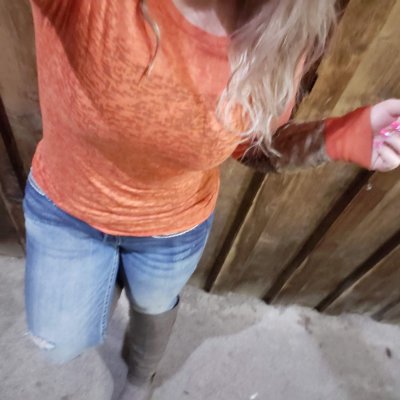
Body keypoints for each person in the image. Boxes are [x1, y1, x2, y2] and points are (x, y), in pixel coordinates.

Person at [23, 0, 400, 399]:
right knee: (62, 342)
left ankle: (141, 377)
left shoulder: (284, 31)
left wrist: (339, 137)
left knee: (154, 308)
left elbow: (254, 146)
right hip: (67, 210)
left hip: (173, 228)